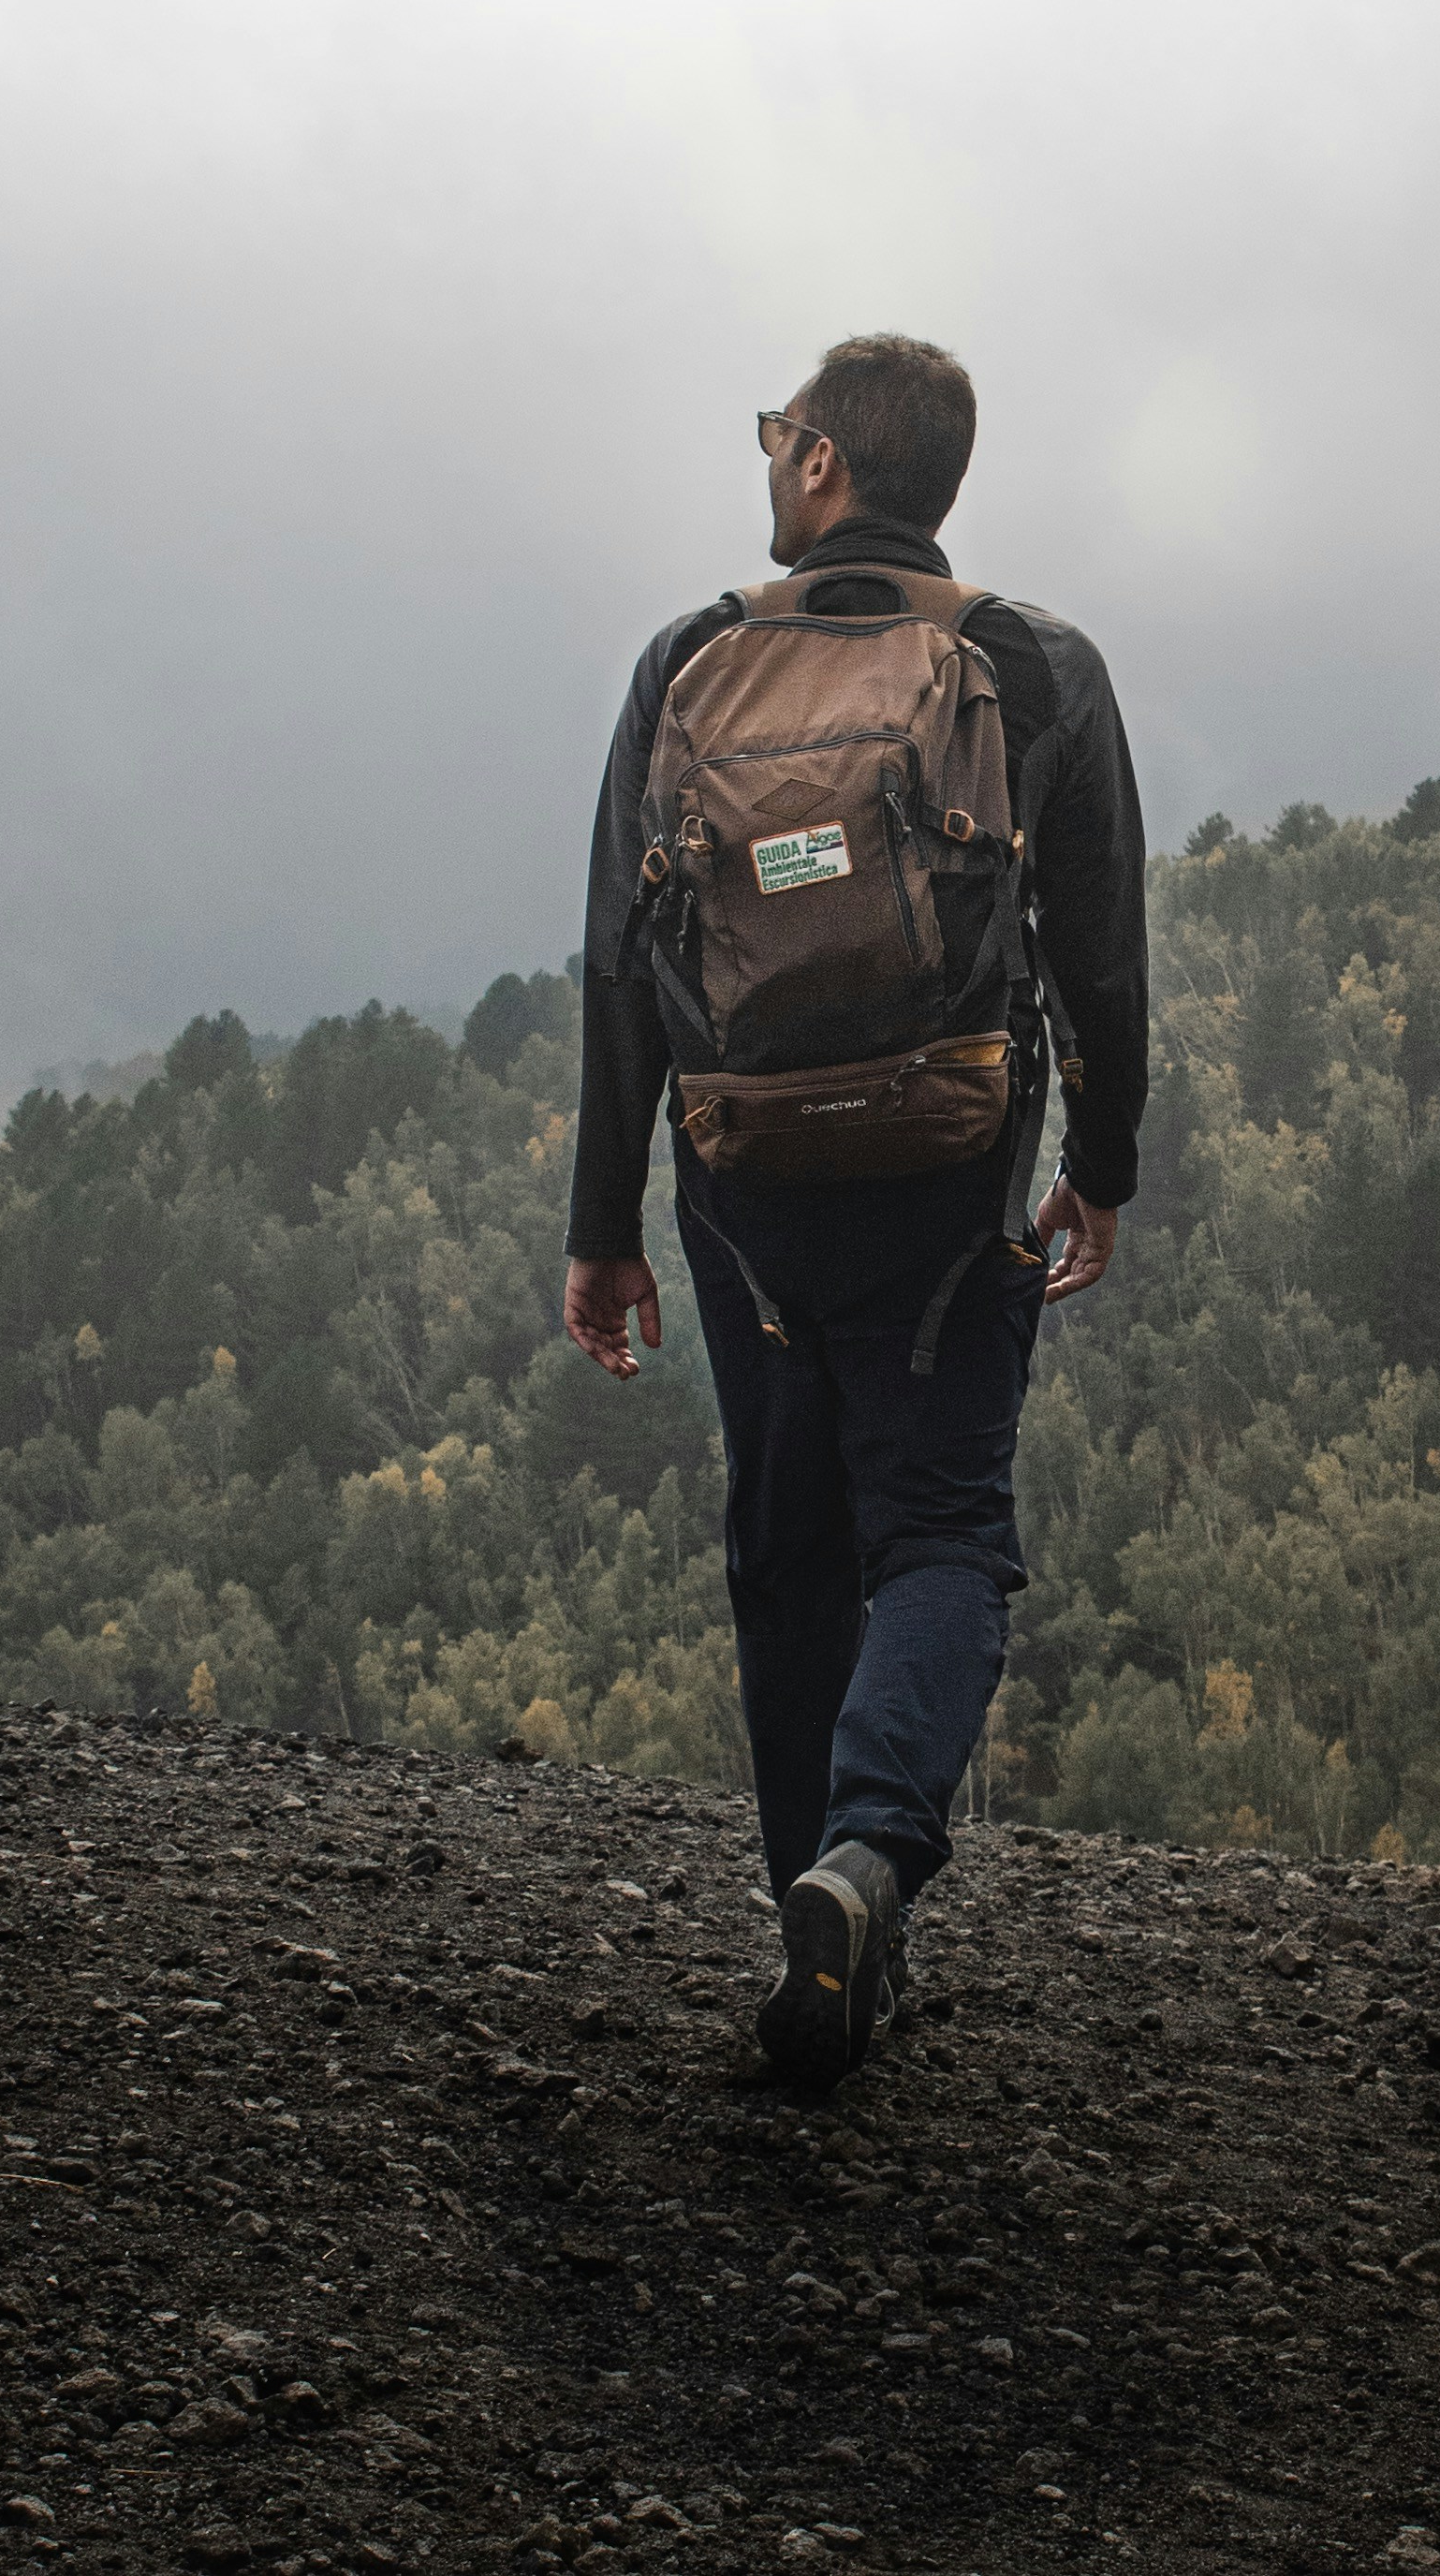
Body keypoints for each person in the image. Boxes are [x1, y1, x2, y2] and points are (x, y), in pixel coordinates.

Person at [561, 333, 1148, 2083]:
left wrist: (604, 1225)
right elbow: (1101, 960)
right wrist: (1102, 1165)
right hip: (946, 1176)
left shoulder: (689, 657)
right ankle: (867, 1863)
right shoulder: (1034, 667)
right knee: (942, 1535)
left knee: (787, 1547)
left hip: (742, 1186)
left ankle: (806, 1931)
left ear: (821, 464)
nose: (770, 456)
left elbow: (619, 962)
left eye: (779, 433)